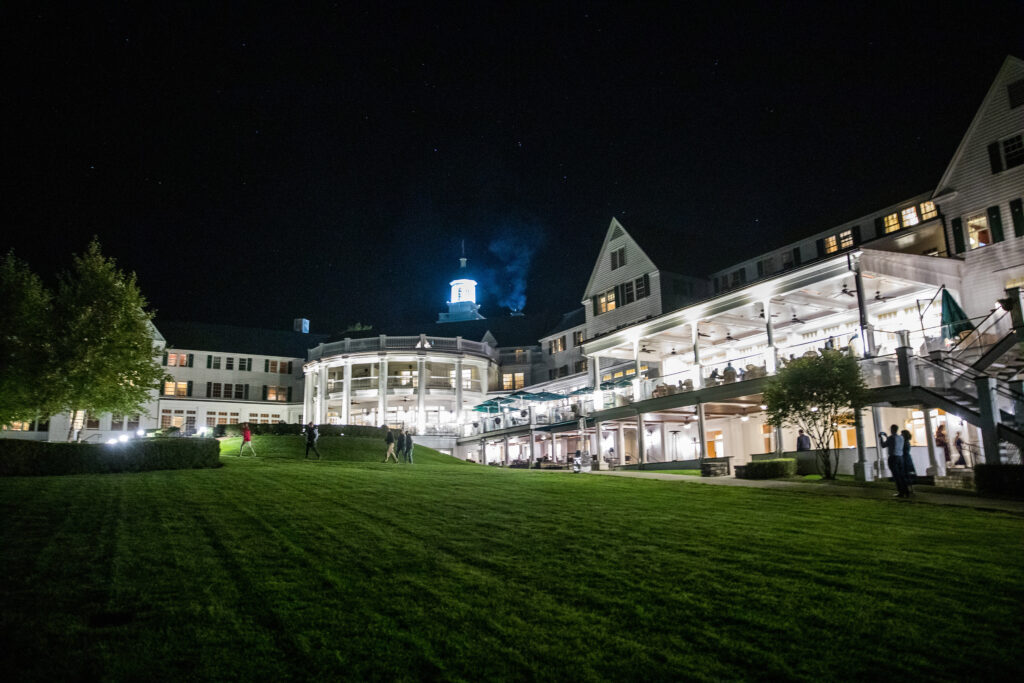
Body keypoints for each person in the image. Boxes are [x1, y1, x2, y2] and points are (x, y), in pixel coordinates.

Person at [882, 425, 908, 497]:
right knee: (902, 475)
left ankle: (901, 492)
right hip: (900, 457)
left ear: (892, 429)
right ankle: (906, 491)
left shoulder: (891, 438)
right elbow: (893, 442)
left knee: (896, 476)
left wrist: (881, 438)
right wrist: (887, 437)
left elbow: (883, 445)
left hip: (893, 458)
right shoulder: (901, 437)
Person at [900, 429, 916, 495]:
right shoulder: (906, 442)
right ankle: (909, 489)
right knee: (907, 474)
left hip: (905, 459)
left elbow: (904, 451)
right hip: (907, 459)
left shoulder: (905, 443)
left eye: (902, 434)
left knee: (906, 474)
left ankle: (908, 490)